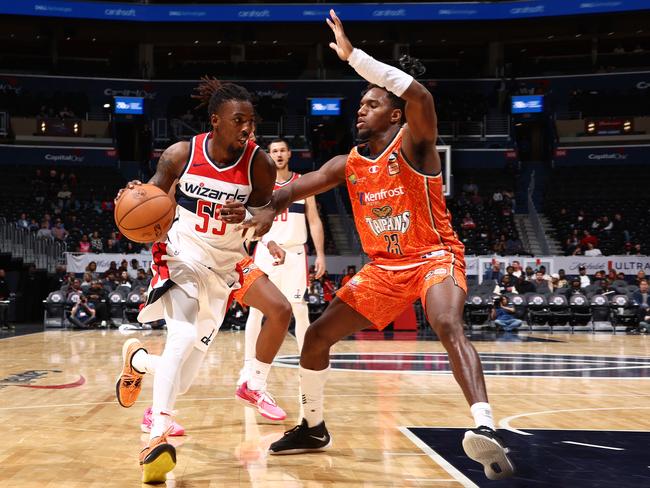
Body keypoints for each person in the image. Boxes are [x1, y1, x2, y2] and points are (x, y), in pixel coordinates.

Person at [243, 10, 513, 480]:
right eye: (360, 105)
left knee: (446, 321)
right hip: (384, 268)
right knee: (316, 337)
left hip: (434, 256)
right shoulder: (347, 163)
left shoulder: (415, 143)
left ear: (394, 114)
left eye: (370, 104)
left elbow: (420, 94)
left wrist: (354, 58)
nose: (360, 110)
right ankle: (312, 426)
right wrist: (262, 209)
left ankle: (485, 427)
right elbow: (294, 187)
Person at [113, 77, 277, 484]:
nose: (247, 128)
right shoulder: (181, 154)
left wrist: (252, 221)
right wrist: (135, 193)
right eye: (238, 120)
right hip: (180, 256)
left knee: (182, 378)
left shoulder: (260, 164)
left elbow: (267, 214)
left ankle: (136, 360)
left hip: (224, 270)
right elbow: (153, 195)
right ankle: (157, 436)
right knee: (182, 336)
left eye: (250, 121)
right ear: (215, 121)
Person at [238, 137, 327, 392]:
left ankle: (305, 364)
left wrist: (320, 254)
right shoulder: (261, 186)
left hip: (295, 253)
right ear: (269, 155)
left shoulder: (302, 184)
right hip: (265, 250)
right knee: (256, 311)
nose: (278, 155)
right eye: (274, 151)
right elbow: (251, 223)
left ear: (289, 154)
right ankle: (248, 365)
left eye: (282, 151)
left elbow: (315, 220)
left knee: (299, 310)